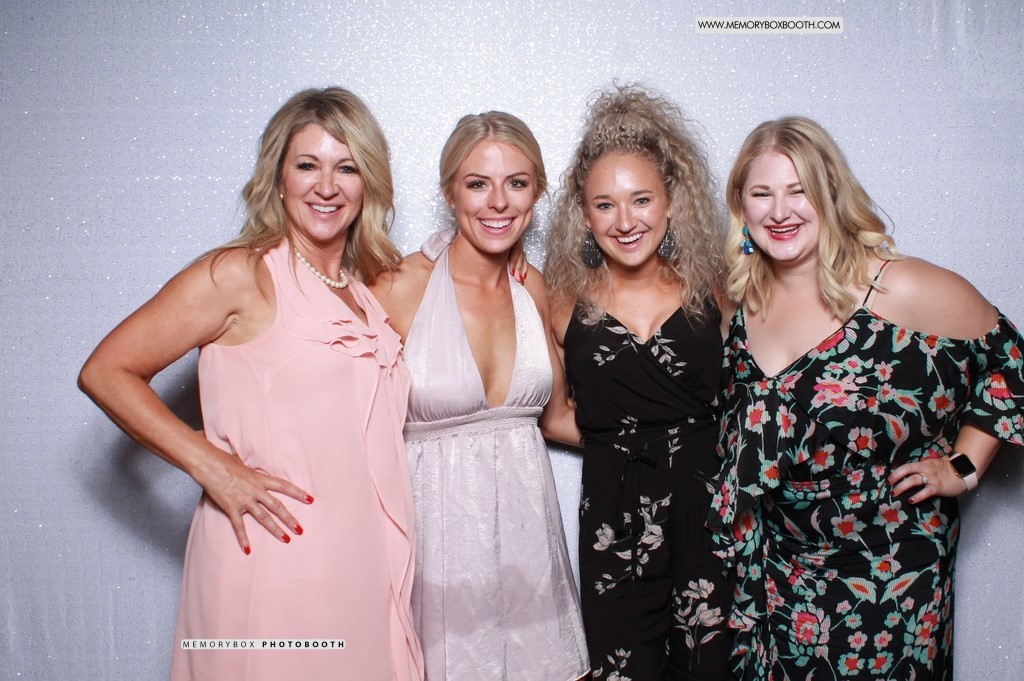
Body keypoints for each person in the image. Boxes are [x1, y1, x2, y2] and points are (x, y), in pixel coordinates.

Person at [78, 87, 424, 681]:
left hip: (362, 568)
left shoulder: (364, 294)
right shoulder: (240, 274)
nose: (326, 186)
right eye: (307, 165)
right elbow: (106, 371)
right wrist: (212, 466)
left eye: (346, 168)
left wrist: (508, 264)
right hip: (274, 557)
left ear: (368, 181)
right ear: (278, 177)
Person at [707, 115, 1024, 679]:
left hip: (889, 576)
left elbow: (1010, 362)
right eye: (762, 194)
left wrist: (964, 467)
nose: (780, 211)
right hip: (777, 579)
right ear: (741, 205)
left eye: (799, 191)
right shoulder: (738, 301)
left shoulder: (897, 288)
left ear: (830, 195)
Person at [370, 112, 589, 680]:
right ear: (450, 193)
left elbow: (558, 419)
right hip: (433, 558)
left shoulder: (531, 286)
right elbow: (348, 421)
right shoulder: (399, 285)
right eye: (477, 184)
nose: (498, 202)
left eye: (516, 183)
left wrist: (669, 437)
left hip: (528, 558)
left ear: (536, 193)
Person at [544, 84, 735, 680]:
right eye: (605, 205)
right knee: (623, 666)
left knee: (712, 665)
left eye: (641, 200)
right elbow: (554, 415)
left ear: (671, 201)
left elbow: (756, 394)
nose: (625, 222)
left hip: (709, 506)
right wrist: (623, 442)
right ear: (584, 213)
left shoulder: (716, 289)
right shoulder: (560, 301)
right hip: (614, 506)